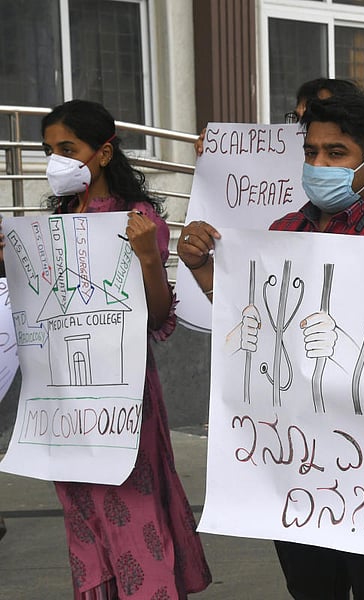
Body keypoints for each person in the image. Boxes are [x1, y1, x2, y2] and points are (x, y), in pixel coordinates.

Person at [177, 94, 364, 600]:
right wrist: (203, 268)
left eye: (336, 153)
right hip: (295, 448)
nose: (319, 165)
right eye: (311, 152)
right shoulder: (283, 232)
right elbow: (247, 322)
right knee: (310, 584)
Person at [0, 100, 212, 598]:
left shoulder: (138, 220)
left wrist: (148, 257)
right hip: (63, 399)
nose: (56, 161)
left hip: (121, 393)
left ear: (104, 152)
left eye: (67, 149)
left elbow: (156, 317)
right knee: (82, 510)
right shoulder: (56, 221)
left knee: (131, 503)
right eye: (48, 150)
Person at [194, 77, 364, 216]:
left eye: (335, 153)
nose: (318, 163)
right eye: (299, 116)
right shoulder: (289, 225)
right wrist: (216, 154)